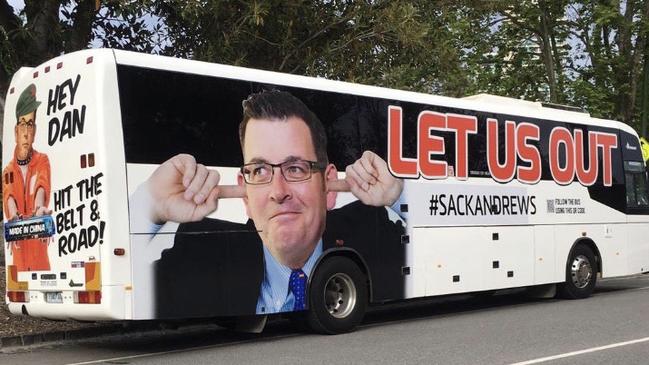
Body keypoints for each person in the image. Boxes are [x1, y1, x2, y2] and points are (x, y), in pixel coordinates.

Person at [140, 90, 405, 317]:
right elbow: (123, 288)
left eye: (296, 168)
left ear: (328, 186)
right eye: (259, 171)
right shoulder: (200, 251)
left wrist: (397, 195)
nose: (278, 192)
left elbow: (437, 241)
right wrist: (150, 206)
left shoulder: (373, 230)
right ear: (246, 196)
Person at [2, 84, 52, 272]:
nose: (26, 131)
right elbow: (9, 196)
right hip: (19, 263)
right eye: (22, 124)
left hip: (40, 263)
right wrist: (13, 215)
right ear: (16, 131)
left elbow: (42, 184)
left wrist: (39, 209)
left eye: (30, 125)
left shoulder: (42, 161)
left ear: (35, 131)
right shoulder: (8, 171)